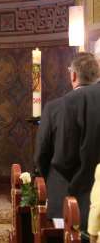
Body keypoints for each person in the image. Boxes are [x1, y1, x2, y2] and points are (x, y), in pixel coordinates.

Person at [35, 52, 99, 223]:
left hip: (65, 200)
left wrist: (46, 181)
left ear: (73, 75)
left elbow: (42, 154)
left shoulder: (55, 108)